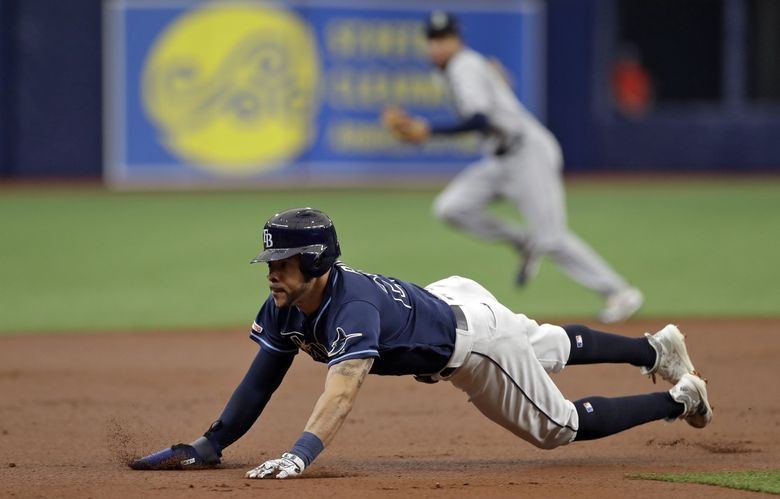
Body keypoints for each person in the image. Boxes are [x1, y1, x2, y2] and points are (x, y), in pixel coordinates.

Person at [130, 207, 712, 478]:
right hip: (454, 300)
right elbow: (262, 376)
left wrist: (299, 453)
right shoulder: (288, 302)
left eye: (280, 262)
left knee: (555, 427)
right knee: (541, 344)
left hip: (471, 341)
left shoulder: (348, 309)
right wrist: (212, 444)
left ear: (312, 261)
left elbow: (343, 390)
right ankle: (653, 351)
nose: (270, 272)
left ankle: (680, 397)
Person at [381, 11, 643, 323]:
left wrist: (427, 131)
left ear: (457, 40)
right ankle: (523, 241)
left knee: (552, 237)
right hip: (499, 160)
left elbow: (479, 118)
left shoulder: (464, 65)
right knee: (451, 207)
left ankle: (619, 292)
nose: (436, 46)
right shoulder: (453, 70)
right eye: (432, 40)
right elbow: (492, 95)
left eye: (443, 39)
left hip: (527, 153)